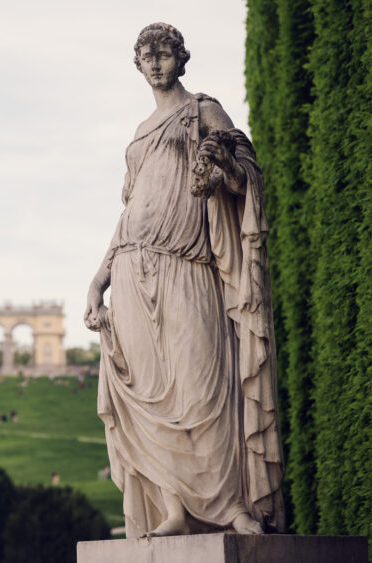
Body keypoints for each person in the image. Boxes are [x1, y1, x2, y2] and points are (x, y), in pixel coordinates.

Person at [84, 23, 284, 538]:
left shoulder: (203, 111)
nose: (155, 63)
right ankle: (173, 509)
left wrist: (222, 166)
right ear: (138, 64)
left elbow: (244, 182)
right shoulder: (139, 133)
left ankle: (232, 506)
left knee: (201, 386)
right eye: (146, 56)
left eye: (164, 54)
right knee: (150, 395)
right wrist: (97, 281)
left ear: (181, 59)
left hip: (187, 265)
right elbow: (129, 213)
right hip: (130, 270)